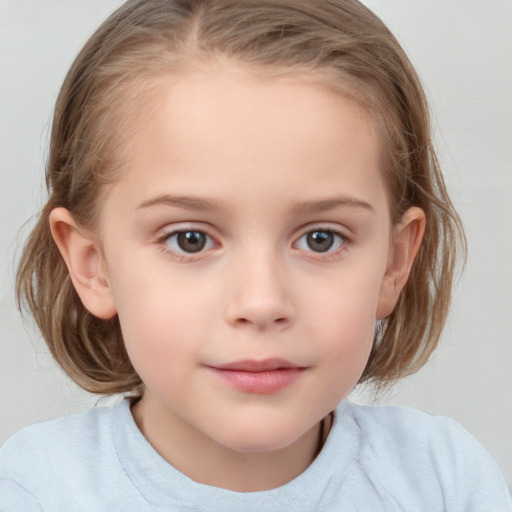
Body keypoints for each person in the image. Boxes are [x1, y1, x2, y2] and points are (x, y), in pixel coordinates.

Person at [0, 0, 510, 510]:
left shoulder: (445, 481)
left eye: (321, 239)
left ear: (394, 263)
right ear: (94, 266)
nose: (262, 302)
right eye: (190, 239)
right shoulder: (35, 489)